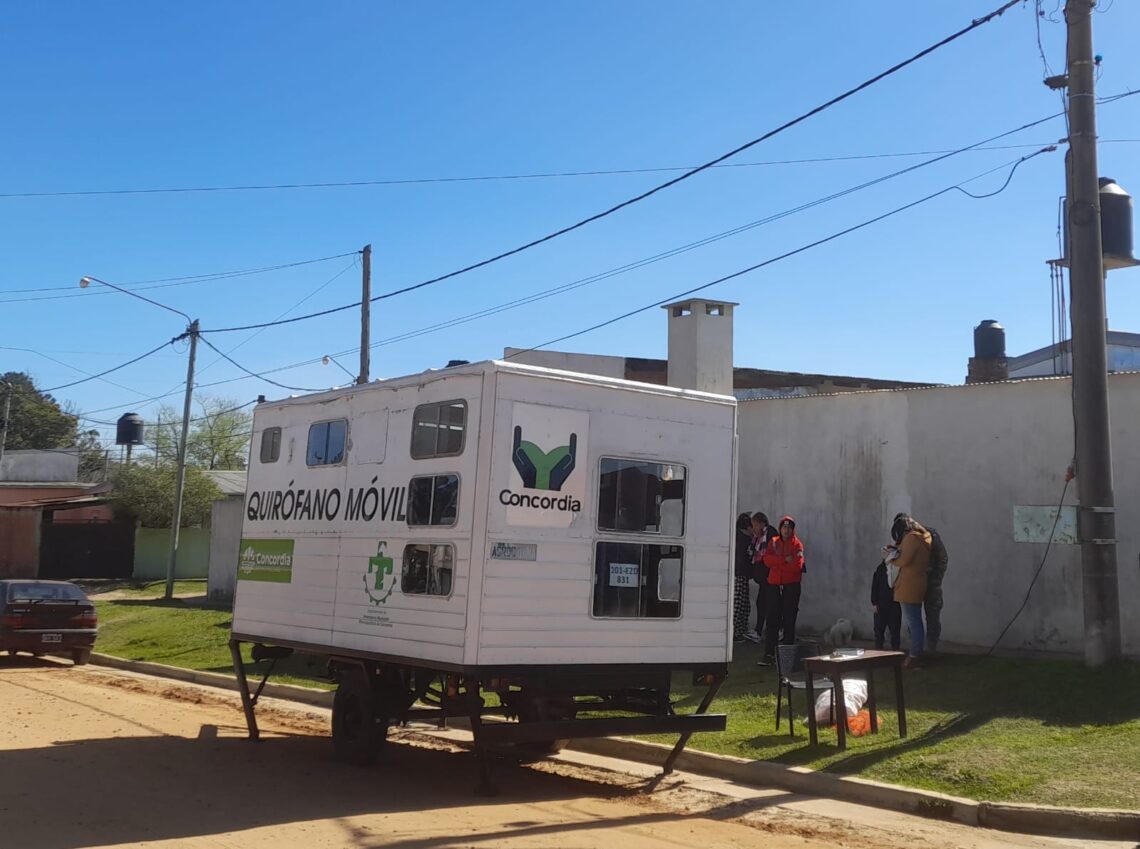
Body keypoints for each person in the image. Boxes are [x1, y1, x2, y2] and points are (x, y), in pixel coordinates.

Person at [894, 513, 950, 655]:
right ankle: (916, 648)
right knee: (913, 618)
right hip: (914, 581)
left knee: (932, 617)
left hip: (931, 582)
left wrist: (935, 578)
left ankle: (930, 649)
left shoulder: (928, 535)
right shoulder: (906, 536)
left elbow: (943, 558)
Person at [758, 516, 804, 666]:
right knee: (772, 620)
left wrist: (777, 563)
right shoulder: (773, 542)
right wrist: (784, 559)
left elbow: (797, 566)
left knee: (789, 620)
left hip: (791, 587)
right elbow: (766, 560)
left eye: (789, 527)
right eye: (784, 527)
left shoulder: (797, 545)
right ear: (780, 528)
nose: (786, 530)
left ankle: (787, 656)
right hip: (774, 586)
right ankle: (769, 654)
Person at [888, 515, 932, 669]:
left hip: (909, 585)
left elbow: (904, 560)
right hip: (917, 583)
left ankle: (914, 655)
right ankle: (916, 653)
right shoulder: (922, 537)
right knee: (915, 621)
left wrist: (889, 558)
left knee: (914, 622)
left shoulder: (911, 538)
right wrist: (895, 550)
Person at [744, 512, 776, 644]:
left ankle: (768, 630)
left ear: (762, 523)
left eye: (755, 525)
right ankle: (759, 630)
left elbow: (771, 553)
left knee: (767, 603)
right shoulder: (757, 538)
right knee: (761, 602)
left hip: (769, 576)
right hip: (763, 578)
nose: (754, 528)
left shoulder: (770, 534)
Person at [870, 557, 902, 651]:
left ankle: (895, 657)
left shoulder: (898, 570)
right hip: (881, 605)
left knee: (895, 633)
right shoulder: (879, 571)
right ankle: (878, 654)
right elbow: (874, 588)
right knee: (879, 633)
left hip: (894, 604)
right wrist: (875, 603)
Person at [732, 513, 753, 643]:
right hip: (740, 575)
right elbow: (742, 559)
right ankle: (735, 632)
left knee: (743, 604)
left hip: (740, 574)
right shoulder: (743, 538)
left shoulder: (738, 537)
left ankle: (740, 630)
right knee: (739, 605)